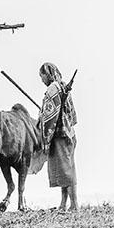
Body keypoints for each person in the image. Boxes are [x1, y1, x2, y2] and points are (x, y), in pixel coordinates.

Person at [38, 62, 78, 211]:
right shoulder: (62, 85)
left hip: (60, 135)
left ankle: (74, 205)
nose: (41, 80)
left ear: (46, 74)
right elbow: (72, 115)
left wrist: (42, 122)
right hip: (69, 133)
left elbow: (49, 117)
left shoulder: (52, 89)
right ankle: (63, 204)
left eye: (41, 76)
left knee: (66, 171)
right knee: (65, 169)